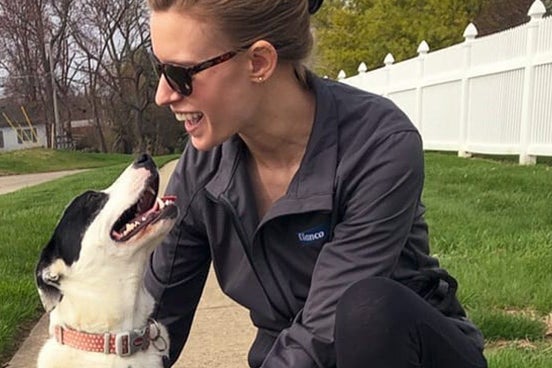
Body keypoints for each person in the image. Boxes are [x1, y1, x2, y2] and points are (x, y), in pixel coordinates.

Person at [144, 0, 488, 367]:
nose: (162, 95)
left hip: (404, 353)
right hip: (291, 356)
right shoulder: (203, 167)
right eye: (159, 69)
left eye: (181, 74)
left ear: (258, 62)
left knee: (368, 311)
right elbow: (154, 319)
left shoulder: (378, 143)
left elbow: (326, 329)